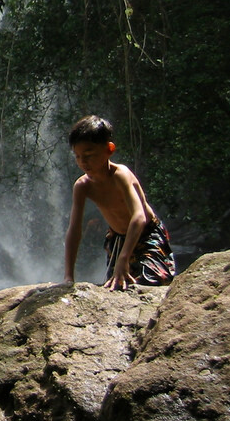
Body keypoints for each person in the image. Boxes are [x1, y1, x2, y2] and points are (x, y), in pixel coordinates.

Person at [64, 115, 176, 291]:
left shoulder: (120, 175)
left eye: (89, 154)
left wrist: (124, 258)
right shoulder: (82, 186)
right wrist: (68, 275)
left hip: (147, 234)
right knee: (117, 286)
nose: (83, 162)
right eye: (78, 156)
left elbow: (139, 217)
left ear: (109, 149)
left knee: (151, 280)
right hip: (118, 239)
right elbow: (74, 230)